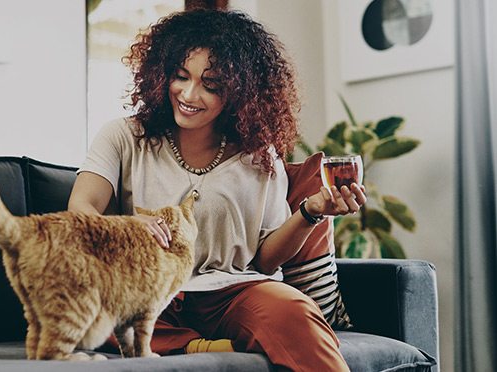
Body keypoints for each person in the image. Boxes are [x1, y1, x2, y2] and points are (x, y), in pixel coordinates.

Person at [68, 8, 366, 372]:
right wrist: (125, 228)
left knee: (294, 309)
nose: (189, 94)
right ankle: (200, 347)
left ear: (241, 93)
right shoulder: (123, 136)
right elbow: (81, 208)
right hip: (151, 288)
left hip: (234, 291)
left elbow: (266, 259)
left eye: (211, 86)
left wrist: (310, 212)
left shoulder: (260, 156)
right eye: (181, 76)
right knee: (101, 306)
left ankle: (198, 343)